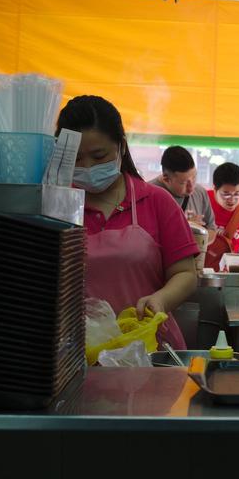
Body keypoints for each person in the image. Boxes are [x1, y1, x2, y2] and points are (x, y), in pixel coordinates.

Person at [57, 95, 197, 350]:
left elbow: (186, 274)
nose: (87, 167)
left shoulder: (156, 201)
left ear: (121, 146)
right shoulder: (56, 205)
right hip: (76, 353)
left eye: (98, 156)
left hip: (148, 347)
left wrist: (161, 299)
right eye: (76, 159)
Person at [149, 145, 217, 242]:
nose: (191, 188)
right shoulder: (148, 195)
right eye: (183, 183)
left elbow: (212, 230)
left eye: (194, 178)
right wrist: (185, 228)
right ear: (166, 179)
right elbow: (146, 237)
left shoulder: (200, 192)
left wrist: (199, 236)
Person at [207, 162, 239, 254]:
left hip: (235, 266)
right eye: (226, 194)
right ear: (215, 189)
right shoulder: (202, 200)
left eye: (237, 193)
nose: (232, 200)